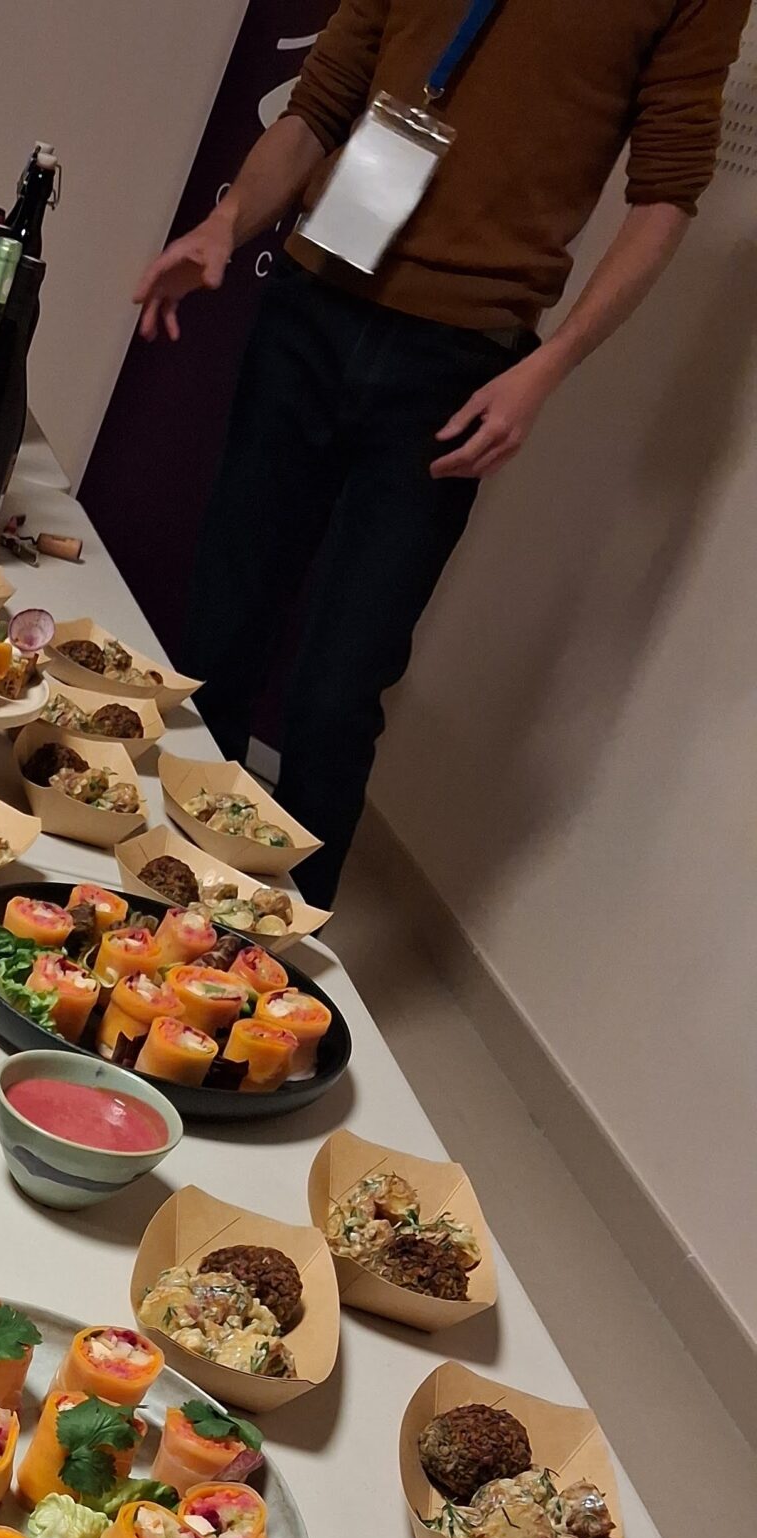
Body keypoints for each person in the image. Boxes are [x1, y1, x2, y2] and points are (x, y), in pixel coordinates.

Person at [134, 0, 751, 906]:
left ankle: (277, 963)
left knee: (337, 692)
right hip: (310, 307)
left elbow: (666, 192)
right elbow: (323, 102)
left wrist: (549, 364)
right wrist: (227, 221)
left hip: (458, 362)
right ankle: (150, 906)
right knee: (220, 632)